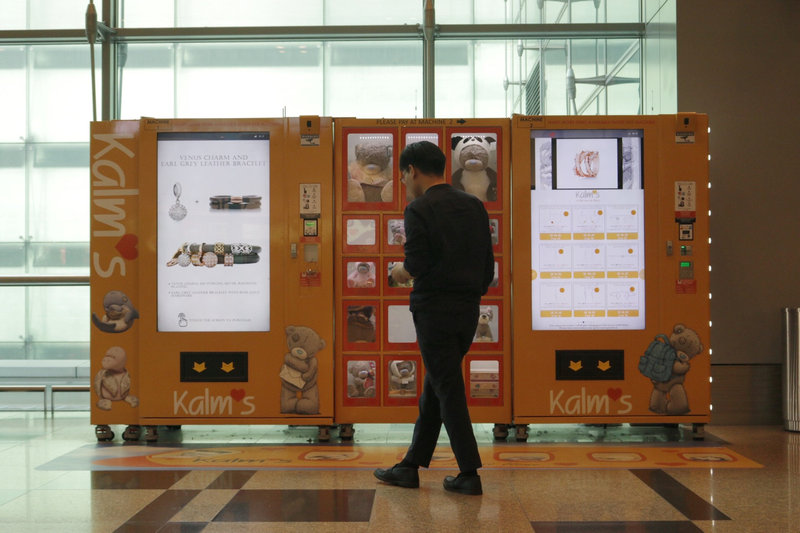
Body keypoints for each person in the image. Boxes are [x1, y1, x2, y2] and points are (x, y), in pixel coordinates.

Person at [373, 141, 495, 496]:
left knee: (448, 387)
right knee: (438, 384)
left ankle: (469, 471)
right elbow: (487, 264)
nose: (403, 183)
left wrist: (398, 272)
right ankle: (410, 466)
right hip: (468, 310)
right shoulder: (473, 205)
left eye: (402, 176)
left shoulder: (419, 208)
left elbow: (417, 263)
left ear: (412, 171)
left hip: (434, 311)